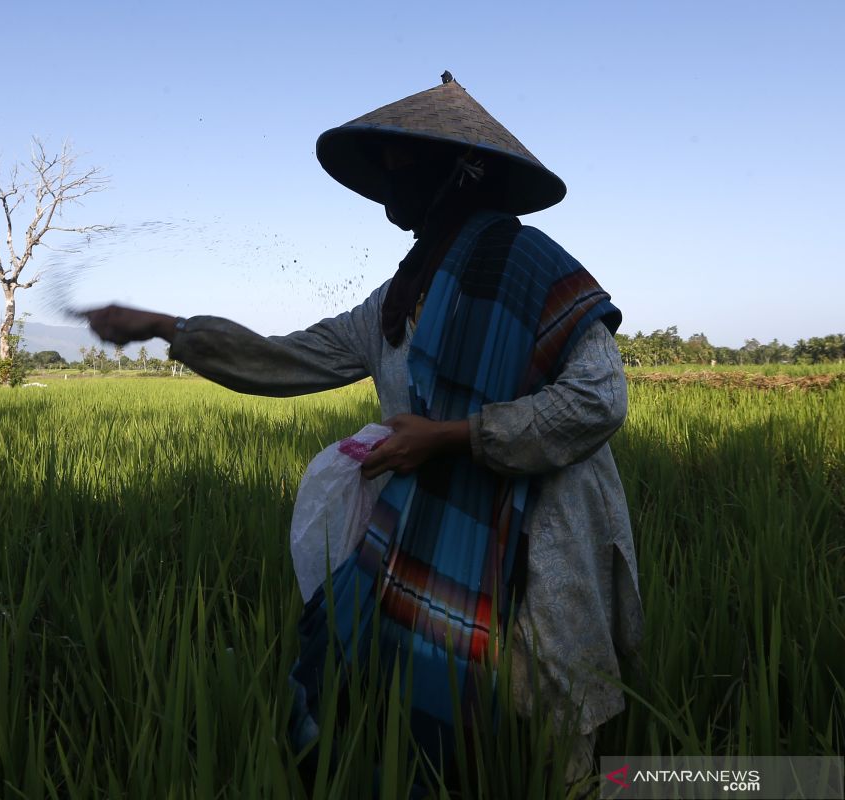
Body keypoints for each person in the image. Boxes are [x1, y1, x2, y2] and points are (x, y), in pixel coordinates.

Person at [85, 72, 644, 787]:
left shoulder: (533, 269)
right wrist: (169, 327)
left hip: (544, 533)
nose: (390, 186)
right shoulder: (394, 301)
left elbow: (599, 401)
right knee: (410, 696)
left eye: (404, 165)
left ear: (460, 174)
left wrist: (451, 436)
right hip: (427, 533)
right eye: (385, 167)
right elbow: (286, 359)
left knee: (548, 717)